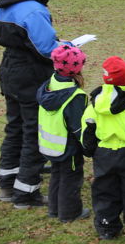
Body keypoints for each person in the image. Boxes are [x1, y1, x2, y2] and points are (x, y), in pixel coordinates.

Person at [0, 0, 61, 208]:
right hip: (31, 74)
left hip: (9, 70)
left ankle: (7, 184)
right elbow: (44, 48)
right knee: (33, 132)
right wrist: (67, 49)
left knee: (15, 127)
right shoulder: (32, 9)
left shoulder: (4, 2)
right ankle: (26, 193)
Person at [81, 56, 125, 241]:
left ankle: (107, 226)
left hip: (104, 154)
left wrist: (89, 149)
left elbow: (88, 127)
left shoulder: (95, 103)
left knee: (105, 190)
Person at [38, 45, 90, 223]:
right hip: (68, 147)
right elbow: (78, 127)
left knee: (57, 175)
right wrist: (88, 146)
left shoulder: (49, 85)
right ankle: (69, 212)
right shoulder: (75, 96)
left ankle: (54, 209)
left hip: (50, 145)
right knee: (71, 178)